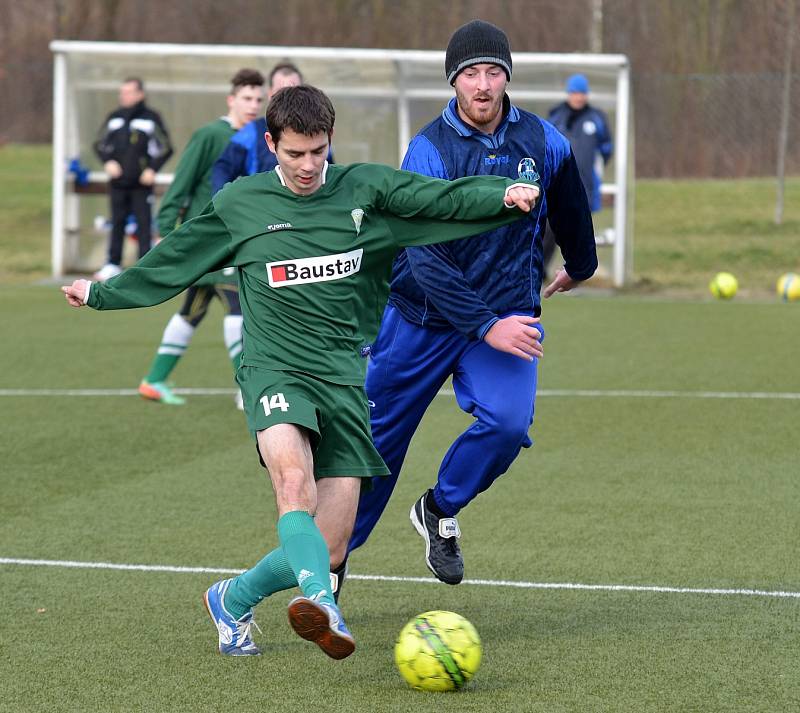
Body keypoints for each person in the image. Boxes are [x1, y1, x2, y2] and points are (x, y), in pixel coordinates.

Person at [62, 85, 542, 659]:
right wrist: (102, 293)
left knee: (332, 544)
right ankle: (326, 604)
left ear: (329, 142)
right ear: (271, 145)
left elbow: (436, 199)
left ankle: (232, 599)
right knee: (294, 488)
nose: (309, 165)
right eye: (295, 154)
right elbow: (178, 258)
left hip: (342, 378)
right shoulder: (243, 204)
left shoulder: (365, 191)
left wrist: (501, 193)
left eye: (318, 151)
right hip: (274, 370)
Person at [344, 20, 598, 590]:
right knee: (374, 449)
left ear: (507, 76)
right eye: (470, 74)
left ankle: (439, 509)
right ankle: (334, 557)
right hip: (421, 317)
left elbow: (572, 208)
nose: (483, 85)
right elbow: (427, 259)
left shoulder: (544, 141)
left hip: (507, 314)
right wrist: (483, 326)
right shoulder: (429, 149)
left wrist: (581, 266)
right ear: (454, 81)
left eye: (493, 72)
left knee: (507, 424)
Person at [137, 68, 265, 406]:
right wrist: (166, 229)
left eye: (258, 99)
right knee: (239, 305)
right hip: (210, 242)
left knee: (191, 312)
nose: (253, 105)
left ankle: (154, 379)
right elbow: (182, 181)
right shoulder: (211, 135)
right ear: (231, 100)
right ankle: (247, 387)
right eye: (246, 98)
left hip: (229, 242)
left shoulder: (257, 137)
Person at [92, 77, 173, 282]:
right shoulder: (114, 118)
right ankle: (113, 263)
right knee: (117, 222)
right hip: (118, 184)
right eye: (122, 92)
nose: (123, 96)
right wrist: (108, 161)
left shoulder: (151, 118)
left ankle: (144, 266)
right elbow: (99, 144)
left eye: (128, 92)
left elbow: (166, 147)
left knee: (144, 224)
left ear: (140, 94)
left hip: (141, 185)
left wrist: (152, 169)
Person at [211, 62, 333, 194]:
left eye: (294, 89)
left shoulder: (319, 132)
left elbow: (330, 173)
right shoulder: (252, 131)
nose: (289, 97)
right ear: (270, 94)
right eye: (282, 91)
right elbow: (223, 168)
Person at [543, 73, 613, 270]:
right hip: (556, 187)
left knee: (578, 232)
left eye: (582, 93)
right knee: (549, 230)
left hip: (584, 187)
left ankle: (576, 272)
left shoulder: (597, 119)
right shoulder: (556, 116)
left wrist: (594, 171)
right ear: (569, 94)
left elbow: (607, 149)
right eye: (575, 93)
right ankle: (540, 271)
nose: (578, 97)